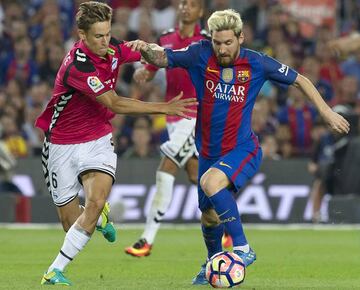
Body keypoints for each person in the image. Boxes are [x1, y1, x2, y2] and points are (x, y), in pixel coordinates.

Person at [126, 9, 350, 285]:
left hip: (243, 149)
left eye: (228, 43)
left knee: (210, 183)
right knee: (208, 217)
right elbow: (163, 56)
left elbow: (300, 80)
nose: (221, 49)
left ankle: (243, 248)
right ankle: (212, 262)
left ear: (241, 38)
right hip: (208, 152)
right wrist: (145, 49)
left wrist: (326, 112)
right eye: (217, 43)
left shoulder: (257, 63)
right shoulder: (199, 54)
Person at [35, 1, 196, 286]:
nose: (105, 41)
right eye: (98, 36)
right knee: (71, 222)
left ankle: (54, 270)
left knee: (95, 201)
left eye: (108, 33)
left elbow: (136, 49)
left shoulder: (110, 48)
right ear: (82, 36)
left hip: (98, 137)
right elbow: (115, 102)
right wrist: (163, 108)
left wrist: (146, 47)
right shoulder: (77, 66)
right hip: (61, 143)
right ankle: (98, 219)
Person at [124, 0, 208, 258]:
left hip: (196, 116)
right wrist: (143, 74)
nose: (185, 7)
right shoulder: (165, 37)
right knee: (198, 177)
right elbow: (152, 66)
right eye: (182, 3)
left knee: (166, 168)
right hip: (173, 116)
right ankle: (226, 227)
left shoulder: (207, 41)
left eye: (192, 4)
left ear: (200, 12)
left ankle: (146, 239)